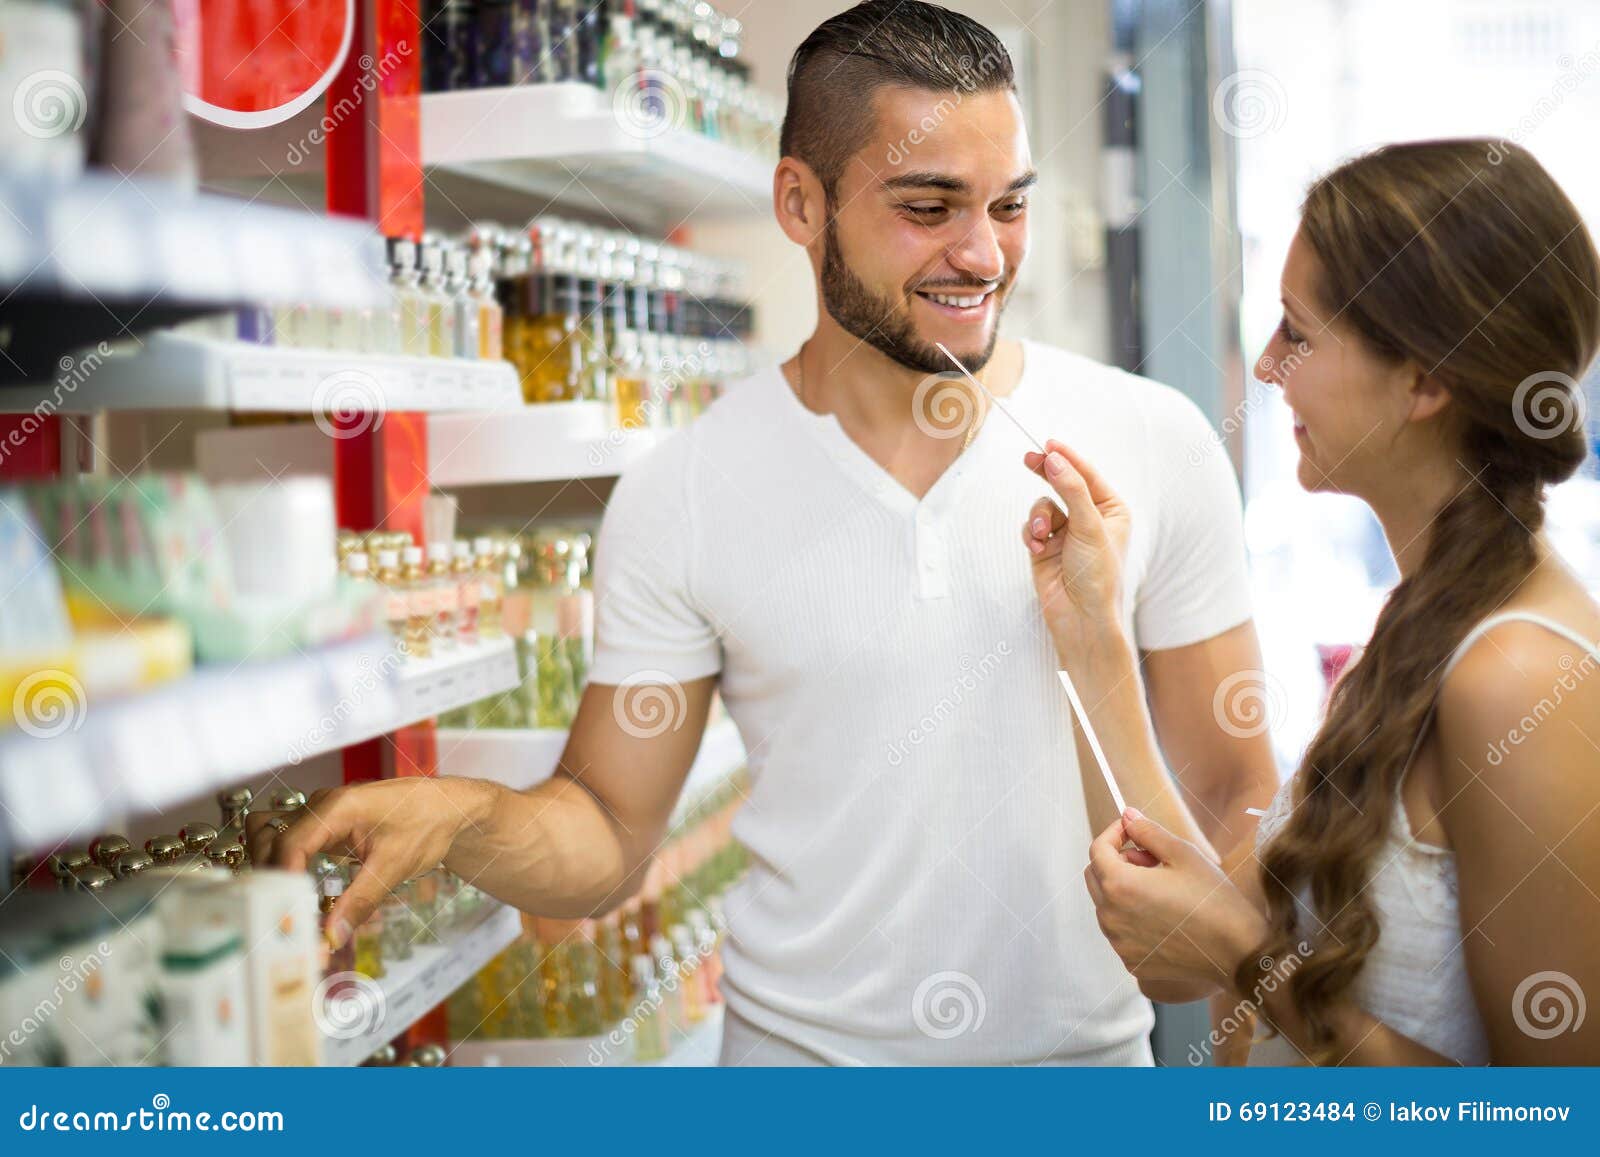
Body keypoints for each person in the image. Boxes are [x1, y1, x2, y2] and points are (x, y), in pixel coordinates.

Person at [249, 0, 1277, 1065]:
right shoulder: (685, 487)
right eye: (928, 207)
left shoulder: (1151, 439)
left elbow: (1231, 784)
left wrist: (1229, 968)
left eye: (1006, 205)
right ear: (800, 202)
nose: (981, 254)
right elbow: (605, 827)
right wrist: (463, 815)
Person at [1037, 139, 1600, 1064]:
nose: (1265, 368)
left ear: (1424, 378)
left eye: (1296, 333)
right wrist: (1094, 636)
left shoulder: (1516, 677)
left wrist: (1239, 951)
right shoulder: (1422, 622)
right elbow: (1183, 950)